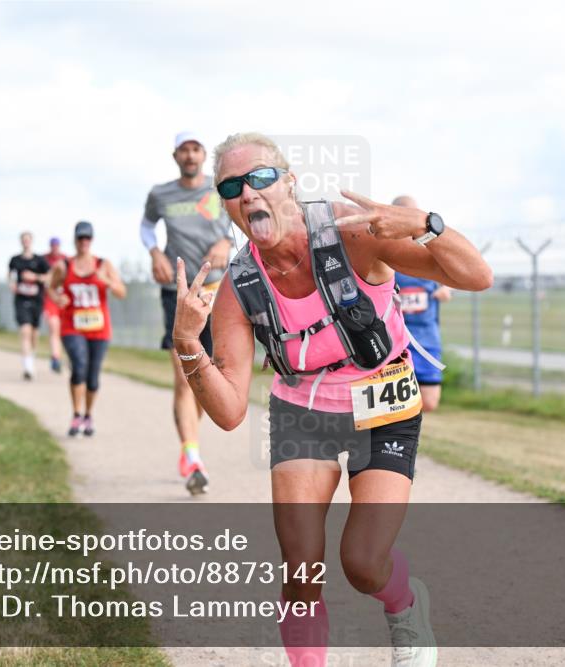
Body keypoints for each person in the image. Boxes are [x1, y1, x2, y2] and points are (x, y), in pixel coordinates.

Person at [172, 133, 492, 666]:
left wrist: (423, 225)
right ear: (225, 204)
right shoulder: (240, 284)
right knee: (301, 569)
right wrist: (188, 345)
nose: (248, 192)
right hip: (303, 409)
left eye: (260, 178)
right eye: (232, 185)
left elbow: (475, 276)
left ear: (289, 182)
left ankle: (407, 607)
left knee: (363, 563)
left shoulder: (350, 231)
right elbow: (228, 412)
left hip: (382, 399)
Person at [140, 131, 234, 494]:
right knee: (184, 376)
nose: (190, 155)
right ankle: (192, 455)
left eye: (196, 149)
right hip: (177, 292)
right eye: (184, 149)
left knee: (203, 379)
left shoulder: (219, 189)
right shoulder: (160, 194)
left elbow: (242, 222)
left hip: (216, 292)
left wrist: (226, 240)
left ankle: (190, 445)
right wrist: (154, 253)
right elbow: (146, 226)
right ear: (175, 155)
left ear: (204, 155)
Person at [48, 221, 126, 437]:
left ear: (91, 240)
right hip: (72, 326)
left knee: (92, 376)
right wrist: (58, 298)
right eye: (80, 238)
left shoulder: (103, 264)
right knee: (79, 365)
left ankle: (88, 415)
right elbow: (51, 288)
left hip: (99, 329)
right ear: (75, 240)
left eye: (87, 238)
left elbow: (121, 292)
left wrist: (107, 281)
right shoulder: (64, 265)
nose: (84, 242)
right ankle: (75, 414)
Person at [393, 195, 452, 412]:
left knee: (429, 401)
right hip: (394, 343)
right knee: (392, 403)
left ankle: (406, 426)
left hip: (427, 339)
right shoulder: (385, 252)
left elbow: (449, 279)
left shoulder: (431, 249)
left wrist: (446, 290)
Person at [9, 232, 51, 380]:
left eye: (28, 239)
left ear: (31, 241)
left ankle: (31, 357)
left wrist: (35, 277)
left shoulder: (40, 260)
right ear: (21, 242)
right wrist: (12, 284)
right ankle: (28, 367)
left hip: (37, 300)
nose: (26, 242)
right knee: (25, 331)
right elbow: (11, 276)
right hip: (21, 300)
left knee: (34, 334)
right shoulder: (15, 260)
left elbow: (50, 276)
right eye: (23, 240)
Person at [43, 237, 68, 373]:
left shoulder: (66, 260)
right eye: (52, 245)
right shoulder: (43, 259)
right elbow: (44, 279)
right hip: (50, 300)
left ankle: (70, 357)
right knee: (54, 328)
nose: (55, 248)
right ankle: (56, 358)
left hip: (64, 299)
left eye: (57, 245)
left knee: (66, 331)